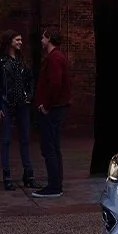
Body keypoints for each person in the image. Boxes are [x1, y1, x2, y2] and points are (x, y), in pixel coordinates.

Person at [0, 30, 40, 191]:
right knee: (6, 140)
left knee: (25, 140)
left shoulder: (23, 60)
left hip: (23, 105)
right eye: (17, 39)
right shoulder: (0, 61)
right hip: (6, 103)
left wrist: (29, 96)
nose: (20, 42)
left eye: (21, 39)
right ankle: (7, 176)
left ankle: (29, 175)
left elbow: (31, 80)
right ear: (10, 41)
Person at [32, 28, 71, 198]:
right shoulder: (57, 57)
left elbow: (55, 84)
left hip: (53, 109)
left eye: (43, 37)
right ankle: (56, 184)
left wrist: (46, 105)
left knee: (50, 148)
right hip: (55, 108)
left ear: (49, 39)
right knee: (54, 147)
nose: (41, 40)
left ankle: (54, 187)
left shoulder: (54, 58)